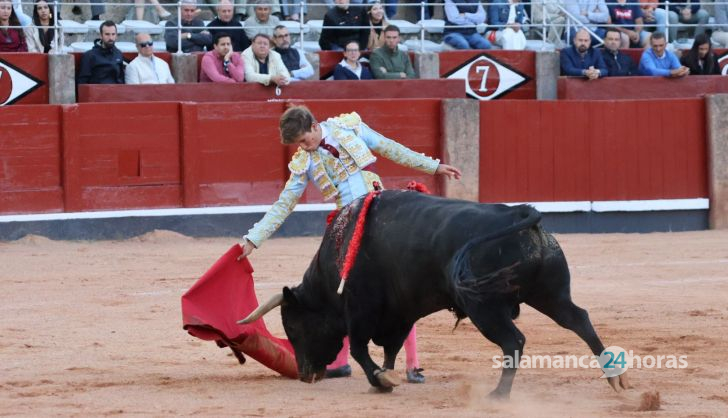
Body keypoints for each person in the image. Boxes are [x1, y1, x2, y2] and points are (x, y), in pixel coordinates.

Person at [237, 105, 462, 383]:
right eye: (298, 144)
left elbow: (390, 148)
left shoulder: (349, 128)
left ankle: (412, 364)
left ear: (315, 126)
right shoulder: (303, 162)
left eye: (305, 140)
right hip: (348, 221)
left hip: (382, 214)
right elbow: (284, 204)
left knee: (403, 288)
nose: (304, 147)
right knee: (340, 291)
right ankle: (341, 362)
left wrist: (434, 166)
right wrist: (253, 239)